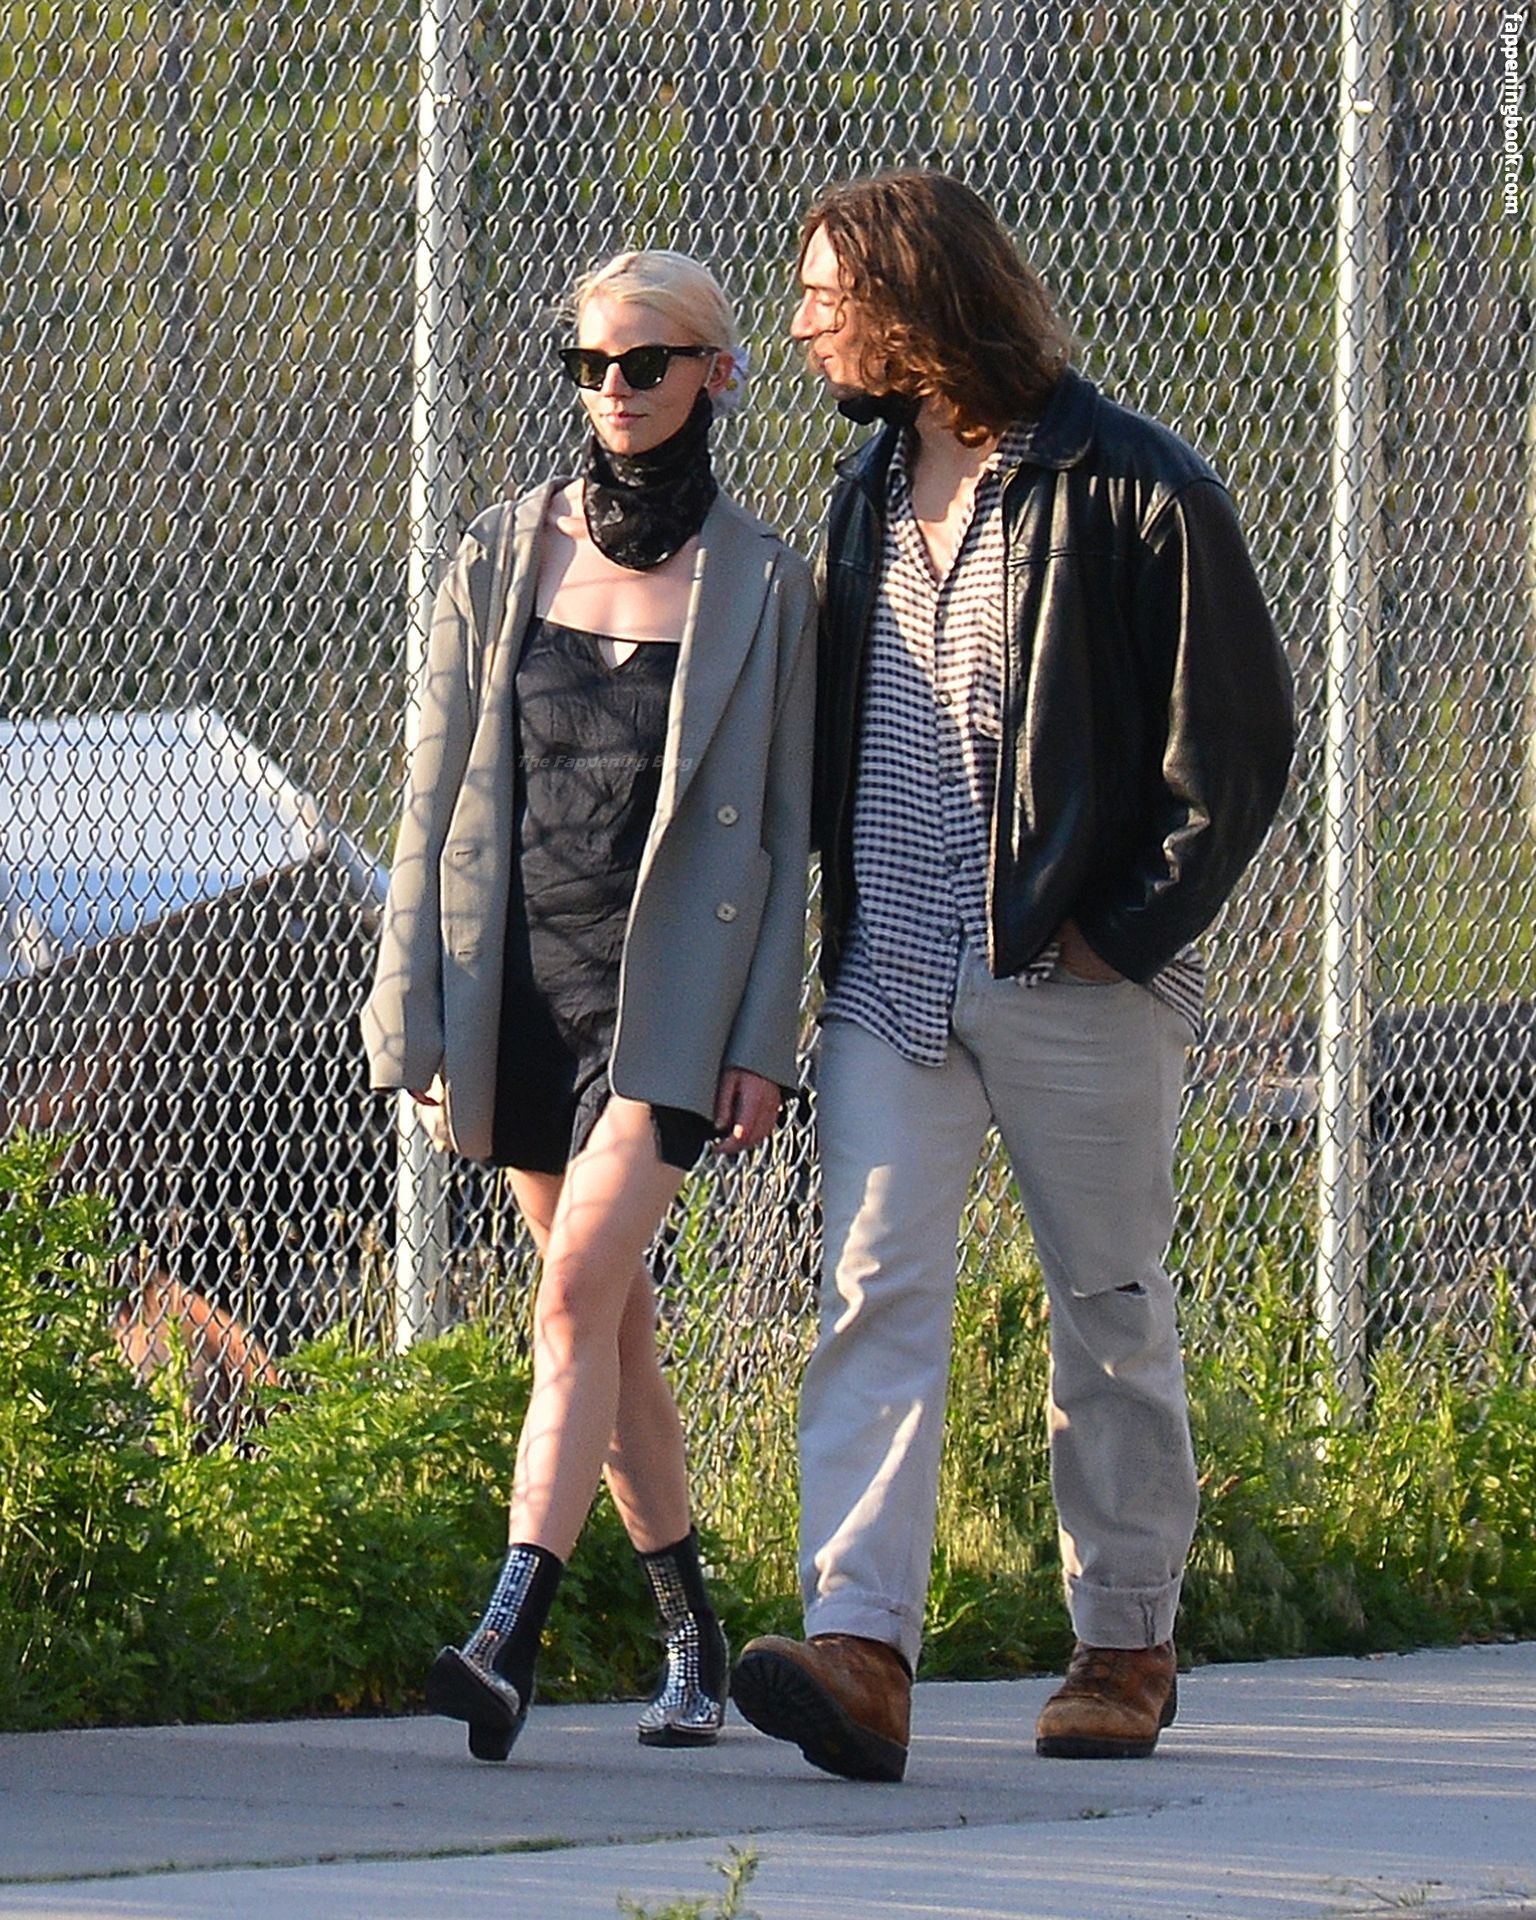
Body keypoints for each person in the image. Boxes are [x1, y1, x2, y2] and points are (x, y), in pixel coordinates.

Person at [729, 172, 1294, 1782]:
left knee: (1106, 1305)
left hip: (1076, 981)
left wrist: (1121, 932)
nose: (802, 324)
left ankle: (1123, 1643)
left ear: (912, 299)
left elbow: (1240, 743)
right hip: (891, 976)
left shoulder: (1136, 486)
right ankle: (860, 1650)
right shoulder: (862, 486)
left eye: (824, 295)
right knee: (873, 1291)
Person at [362, 249, 816, 1763]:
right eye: (591, 364)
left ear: (716, 374)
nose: (613, 390)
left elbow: (787, 830)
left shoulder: (766, 584)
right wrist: (415, 1013)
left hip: (669, 1007)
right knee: (610, 1320)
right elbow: (430, 800)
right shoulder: (502, 553)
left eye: (646, 362)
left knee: (569, 1301)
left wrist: (763, 1043)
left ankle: (507, 1639)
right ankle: (690, 1634)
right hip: (521, 993)